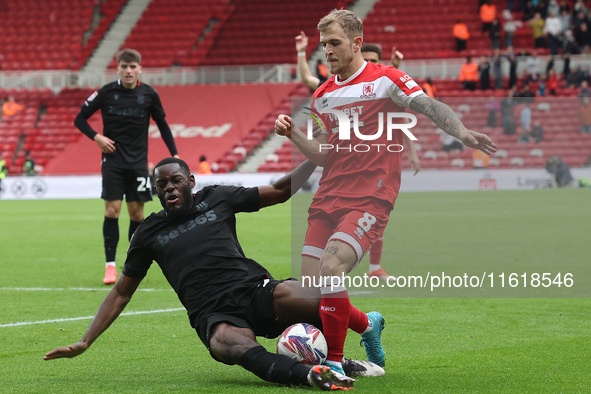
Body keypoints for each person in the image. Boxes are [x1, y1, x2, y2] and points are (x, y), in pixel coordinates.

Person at [275, 9, 496, 376]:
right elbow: (321, 153)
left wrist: (462, 132)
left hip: (370, 195)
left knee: (332, 269)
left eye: (334, 43)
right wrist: (293, 134)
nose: (327, 51)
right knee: (313, 291)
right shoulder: (322, 95)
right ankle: (367, 324)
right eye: (323, 45)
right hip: (328, 196)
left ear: (357, 43)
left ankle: (333, 365)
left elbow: (430, 106)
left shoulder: (386, 79)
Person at [43, 157, 383, 390]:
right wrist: (86, 340)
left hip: (255, 290)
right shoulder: (146, 233)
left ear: (190, 181)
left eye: (176, 181)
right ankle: (311, 375)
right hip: (214, 314)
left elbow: (279, 192)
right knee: (226, 344)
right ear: (155, 191)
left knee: (313, 295)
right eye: (162, 185)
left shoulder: (217, 198)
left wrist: (314, 158)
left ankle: (358, 336)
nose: (170, 189)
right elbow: (121, 292)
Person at [294, 34, 418, 282]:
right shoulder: (330, 89)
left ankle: (375, 268)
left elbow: (396, 111)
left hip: (374, 173)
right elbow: (308, 79)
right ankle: (362, 308)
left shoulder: (380, 83)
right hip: (343, 177)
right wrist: (300, 52)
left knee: (368, 221)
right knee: (322, 269)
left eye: (374, 60)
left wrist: (411, 151)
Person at [74, 48, 180, 285]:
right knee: (112, 210)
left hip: (138, 164)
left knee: (137, 214)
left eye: (133, 67)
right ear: (118, 68)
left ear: (140, 69)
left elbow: (162, 125)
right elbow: (79, 118)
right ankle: (110, 266)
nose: (129, 71)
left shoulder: (149, 95)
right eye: (124, 66)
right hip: (112, 162)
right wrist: (97, 137)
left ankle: (130, 266)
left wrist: (175, 154)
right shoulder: (106, 92)